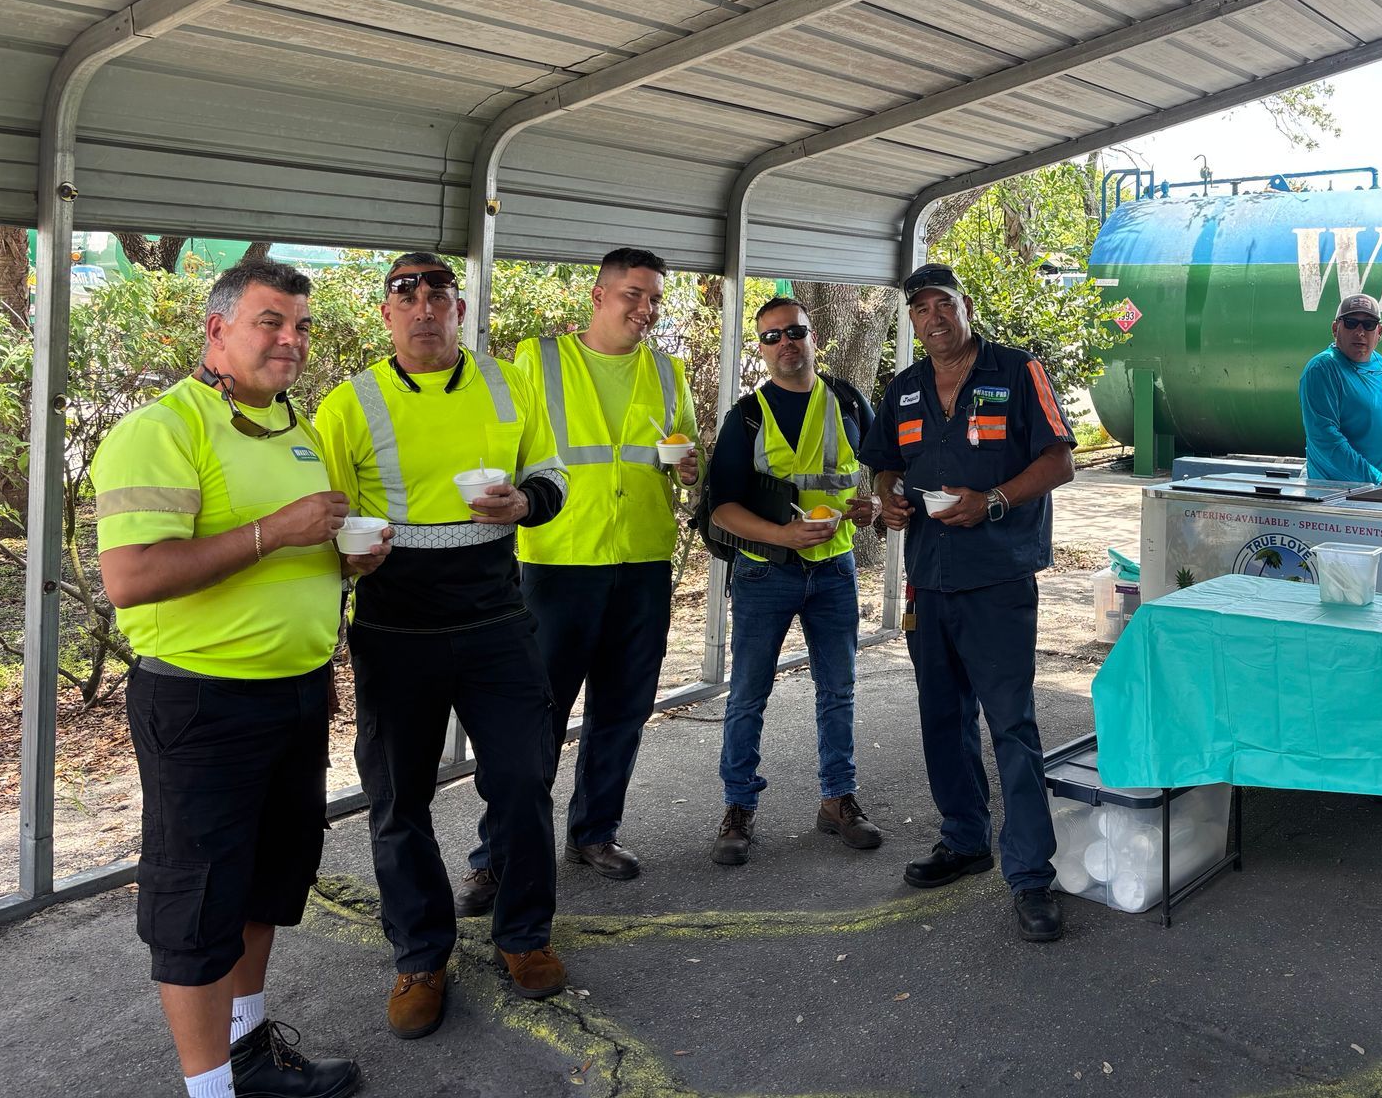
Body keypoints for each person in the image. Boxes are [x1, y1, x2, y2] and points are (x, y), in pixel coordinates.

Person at [94, 260, 387, 1098]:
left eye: (300, 325)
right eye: (271, 322)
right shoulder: (163, 428)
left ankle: (248, 1053)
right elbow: (133, 577)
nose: (290, 340)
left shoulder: (297, 427)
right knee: (196, 905)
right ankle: (210, 1091)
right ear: (217, 329)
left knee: (267, 879)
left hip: (294, 692)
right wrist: (277, 531)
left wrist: (347, 559)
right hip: (201, 700)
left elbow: (305, 551)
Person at [312, 254, 569, 1041]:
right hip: (395, 631)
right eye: (406, 295)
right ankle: (421, 955)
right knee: (397, 802)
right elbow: (320, 518)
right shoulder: (348, 403)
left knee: (524, 780)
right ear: (385, 315)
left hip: (497, 620)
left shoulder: (507, 382)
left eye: (438, 295)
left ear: (459, 309)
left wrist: (527, 500)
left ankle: (523, 936)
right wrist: (342, 559)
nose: (424, 307)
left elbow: (551, 474)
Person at [457, 248, 697, 911]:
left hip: (643, 562)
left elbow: (684, 450)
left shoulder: (669, 371)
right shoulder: (540, 361)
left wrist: (687, 469)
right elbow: (508, 449)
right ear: (598, 296)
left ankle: (594, 833)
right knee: (535, 721)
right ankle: (497, 856)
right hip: (559, 565)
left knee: (622, 710)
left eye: (654, 299)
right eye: (633, 295)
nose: (645, 309)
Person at [859, 262, 1076, 942]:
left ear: (965, 306)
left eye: (942, 305)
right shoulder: (905, 388)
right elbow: (885, 461)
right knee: (941, 718)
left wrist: (995, 500)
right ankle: (964, 839)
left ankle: (1032, 877)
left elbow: (1060, 461)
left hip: (999, 577)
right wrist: (889, 499)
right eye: (920, 309)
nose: (933, 319)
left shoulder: (1017, 371)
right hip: (930, 577)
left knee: (1011, 725)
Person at [704, 297, 880, 865]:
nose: (786, 344)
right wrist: (779, 537)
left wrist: (872, 506)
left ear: (812, 337)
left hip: (835, 568)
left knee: (839, 691)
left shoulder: (849, 401)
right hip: (765, 572)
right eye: (772, 337)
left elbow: (878, 475)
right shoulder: (746, 416)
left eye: (795, 332)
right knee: (748, 695)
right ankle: (738, 808)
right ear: (761, 348)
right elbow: (719, 511)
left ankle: (838, 799)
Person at [1299, 293, 1382, 487]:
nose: (1360, 331)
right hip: (1348, 499)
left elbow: (1380, 420)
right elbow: (1325, 439)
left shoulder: (1377, 361)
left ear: (1379, 332)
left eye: (1369, 325)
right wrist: (1375, 478)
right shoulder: (1324, 369)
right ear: (1335, 328)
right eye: (1351, 323)